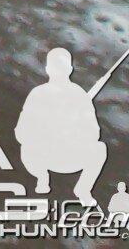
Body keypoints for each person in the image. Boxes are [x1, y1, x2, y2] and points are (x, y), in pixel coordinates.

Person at [17, 47, 111, 205]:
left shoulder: (80, 96)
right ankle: (42, 178)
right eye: (55, 66)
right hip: (42, 156)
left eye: (61, 66)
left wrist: (73, 131)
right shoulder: (38, 94)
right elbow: (21, 132)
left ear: (70, 69)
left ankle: (83, 188)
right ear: (48, 69)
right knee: (27, 148)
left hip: (70, 155)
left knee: (99, 148)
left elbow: (94, 133)